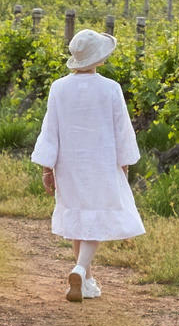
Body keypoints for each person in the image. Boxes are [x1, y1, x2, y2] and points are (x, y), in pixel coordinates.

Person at [31, 28, 144, 301]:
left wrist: (48, 167)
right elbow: (122, 130)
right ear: (99, 59)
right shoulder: (111, 89)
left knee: (78, 215)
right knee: (97, 215)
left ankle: (88, 280)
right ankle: (81, 270)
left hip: (68, 163)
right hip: (101, 162)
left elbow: (51, 129)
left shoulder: (58, 87)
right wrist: (125, 163)